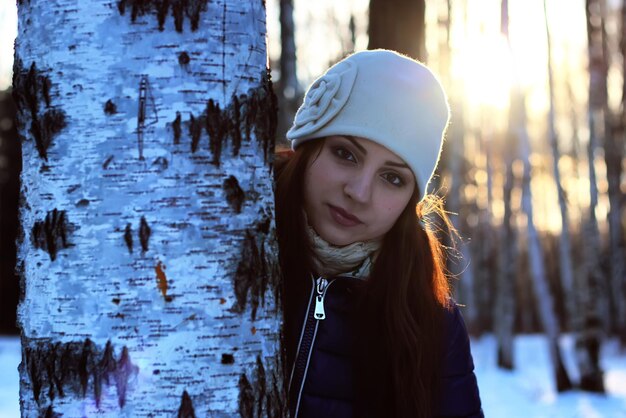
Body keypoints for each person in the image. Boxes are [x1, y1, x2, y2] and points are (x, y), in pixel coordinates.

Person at [274, 49, 483, 418]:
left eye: (392, 178)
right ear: (308, 148)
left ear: (409, 201)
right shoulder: (228, 247)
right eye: (345, 153)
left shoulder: (431, 325)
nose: (359, 192)